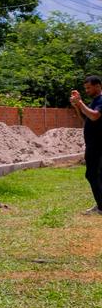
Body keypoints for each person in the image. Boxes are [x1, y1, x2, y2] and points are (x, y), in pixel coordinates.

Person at [70, 75, 102, 214]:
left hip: (99, 145)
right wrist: (77, 105)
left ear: (98, 86)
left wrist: (80, 102)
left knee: (92, 174)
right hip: (93, 144)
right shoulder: (95, 101)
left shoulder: (101, 100)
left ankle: (101, 207)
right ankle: (100, 205)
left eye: (89, 88)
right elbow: (85, 118)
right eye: (85, 88)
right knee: (97, 175)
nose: (87, 90)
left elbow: (94, 116)